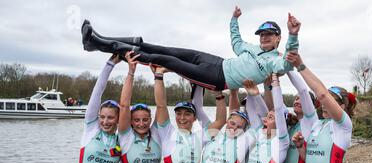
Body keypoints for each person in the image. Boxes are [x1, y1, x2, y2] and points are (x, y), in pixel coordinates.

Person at [81, 6, 300, 91]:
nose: (264, 38)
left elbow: (289, 63)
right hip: (217, 61)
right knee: (163, 49)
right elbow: (236, 41)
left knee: (165, 60)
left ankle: (100, 45)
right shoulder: (251, 47)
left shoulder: (275, 61)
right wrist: (234, 19)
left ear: (278, 38)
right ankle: (99, 39)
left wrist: (293, 35)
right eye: (262, 34)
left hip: (218, 79)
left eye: (269, 35)